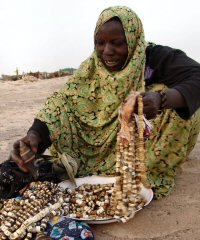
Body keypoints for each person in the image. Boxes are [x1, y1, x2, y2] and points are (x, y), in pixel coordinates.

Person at [11, 6, 200, 199]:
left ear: (133, 39)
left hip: (147, 145)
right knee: (68, 100)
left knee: (171, 96)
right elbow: (62, 102)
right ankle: (98, 169)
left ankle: (146, 173)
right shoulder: (91, 67)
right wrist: (35, 136)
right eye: (100, 43)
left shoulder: (157, 57)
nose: (107, 51)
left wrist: (162, 99)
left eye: (117, 43)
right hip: (102, 146)